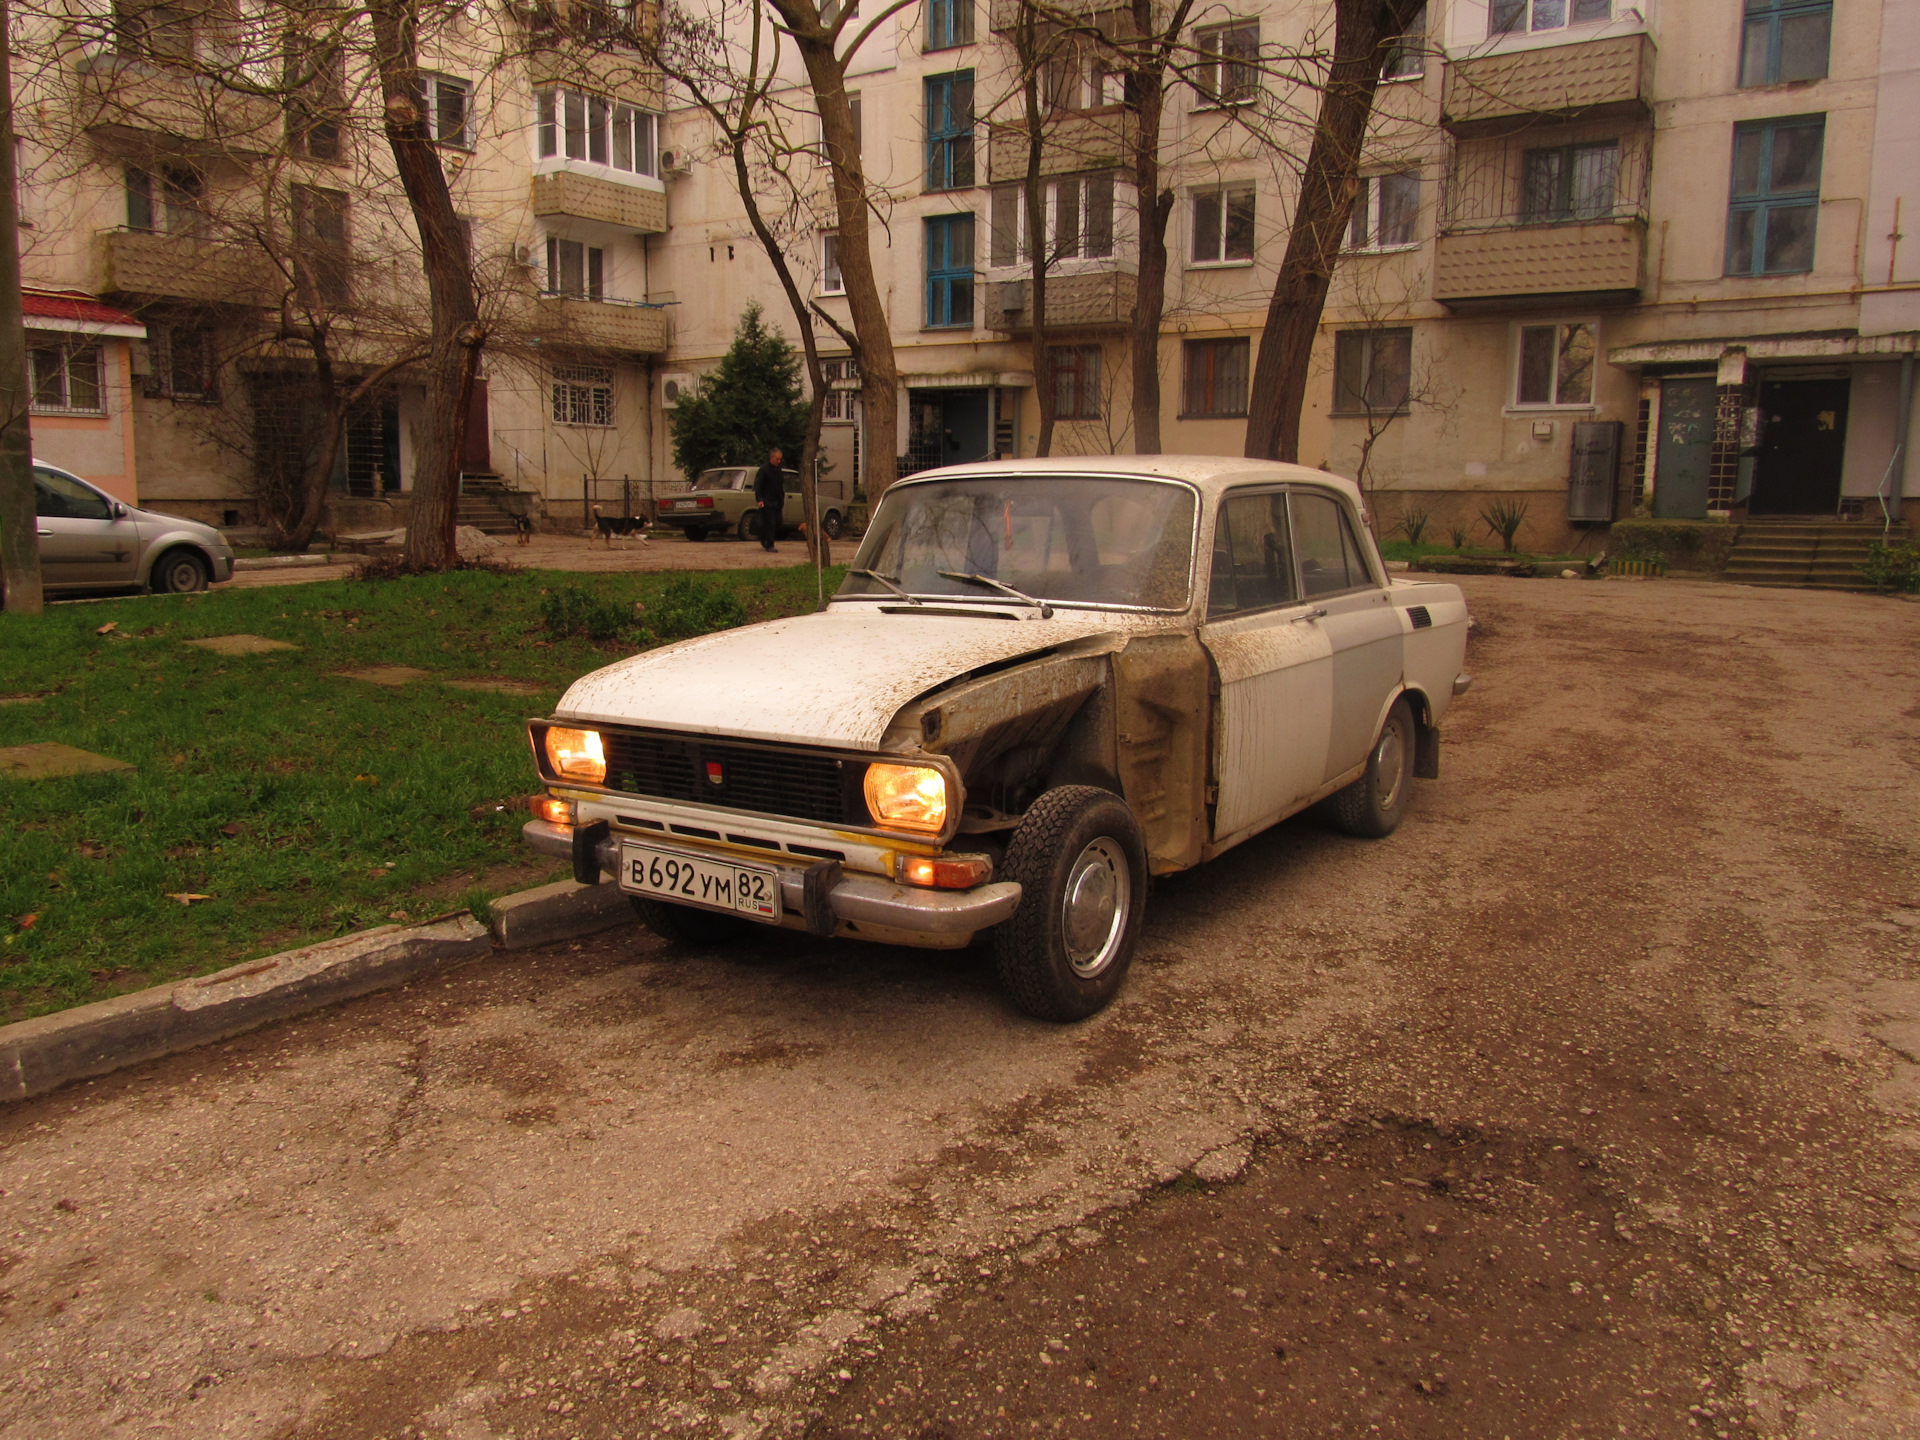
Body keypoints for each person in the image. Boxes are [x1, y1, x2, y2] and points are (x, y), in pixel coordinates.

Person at [752, 446, 786, 552]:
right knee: (770, 523)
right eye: (777, 459)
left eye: (780, 459)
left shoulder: (779, 470)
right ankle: (770, 545)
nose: (779, 461)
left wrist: (781, 499)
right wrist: (760, 500)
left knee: (778, 522)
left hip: (777, 501)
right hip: (767, 501)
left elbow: (780, 486)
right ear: (771, 457)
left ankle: (764, 538)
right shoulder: (764, 470)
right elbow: (758, 486)